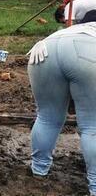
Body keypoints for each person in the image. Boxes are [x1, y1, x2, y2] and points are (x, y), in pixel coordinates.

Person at [26, 12, 96, 195]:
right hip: (86, 51)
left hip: (44, 48)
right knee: (92, 126)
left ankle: (39, 170)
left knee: (47, 118)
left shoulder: (75, 28)